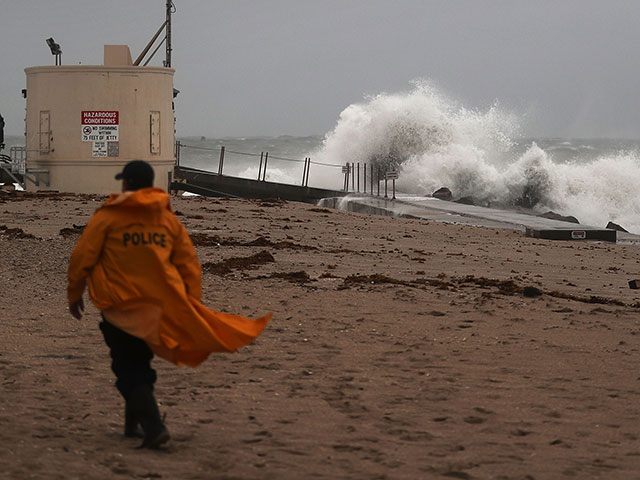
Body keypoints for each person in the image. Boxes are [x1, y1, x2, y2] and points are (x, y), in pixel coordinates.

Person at [67, 160, 270, 449]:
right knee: (140, 363)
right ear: (152, 186)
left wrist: (74, 294)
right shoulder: (166, 219)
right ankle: (133, 426)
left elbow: (81, 258)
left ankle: (153, 427)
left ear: (125, 184)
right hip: (158, 307)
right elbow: (188, 264)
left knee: (128, 368)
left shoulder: (109, 217)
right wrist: (190, 302)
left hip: (120, 307)